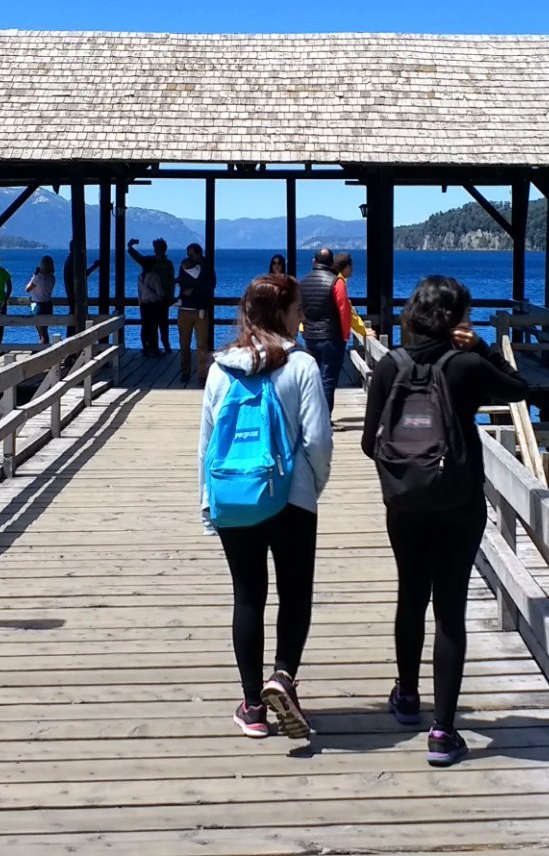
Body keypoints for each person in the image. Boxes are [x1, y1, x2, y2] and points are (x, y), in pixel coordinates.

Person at [362, 275, 529, 767]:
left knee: (410, 594)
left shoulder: (390, 365)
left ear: (413, 313)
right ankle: (443, 732)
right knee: (450, 608)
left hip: (405, 503)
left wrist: (406, 470)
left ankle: (408, 695)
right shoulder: (467, 365)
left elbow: (370, 441)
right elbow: (521, 390)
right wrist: (482, 347)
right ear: (458, 318)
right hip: (458, 499)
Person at [199, 274, 333, 739]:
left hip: (234, 495)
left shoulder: (221, 368)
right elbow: (317, 440)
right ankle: (284, 675)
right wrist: (311, 487)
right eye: (298, 307)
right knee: (295, 593)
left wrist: (208, 501)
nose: (303, 315)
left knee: (248, 596)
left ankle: (253, 705)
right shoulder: (302, 366)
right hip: (291, 496)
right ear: (281, 311)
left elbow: (207, 444)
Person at [297, 248, 346, 411]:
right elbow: (343, 311)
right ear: (332, 263)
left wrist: (303, 330)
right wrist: (345, 335)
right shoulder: (336, 282)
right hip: (331, 337)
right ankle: (324, 417)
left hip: (310, 337)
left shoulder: (303, 282)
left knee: (313, 378)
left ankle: (312, 414)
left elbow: (300, 310)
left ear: (313, 262)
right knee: (328, 379)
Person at [174, 242, 217, 384]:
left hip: (201, 310)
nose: (190, 257)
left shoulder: (207, 267)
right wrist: (195, 287)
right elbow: (182, 282)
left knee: (202, 345)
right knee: (184, 344)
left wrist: (192, 289)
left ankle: (202, 374)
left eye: (192, 254)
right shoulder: (184, 265)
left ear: (199, 253)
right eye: (188, 254)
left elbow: (210, 285)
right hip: (184, 310)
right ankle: (185, 372)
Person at [128, 238, 176, 356]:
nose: (155, 250)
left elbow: (170, 282)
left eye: (157, 248)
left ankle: (163, 346)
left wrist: (169, 297)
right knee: (152, 324)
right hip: (158, 299)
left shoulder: (165, 264)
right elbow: (171, 282)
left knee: (160, 324)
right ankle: (153, 348)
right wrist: (130, 247)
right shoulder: (154, 262)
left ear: (162, 249)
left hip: (158, 299)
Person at [331, 251, 372, 342]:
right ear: (347, 267)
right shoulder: (339, 282)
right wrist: (362, 330)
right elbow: (346, 310)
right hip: (333, 333)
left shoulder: (329, 278)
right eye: (351, 267)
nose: (352, 269)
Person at [25, 255, 57, 346]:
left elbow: (27, 289)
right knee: (45, 330)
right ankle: (45, 348)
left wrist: (34, 276)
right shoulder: (52, 278)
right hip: (48, 304)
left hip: (36, 305)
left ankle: (41, 350)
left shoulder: (37, 278)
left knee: (41, 332)